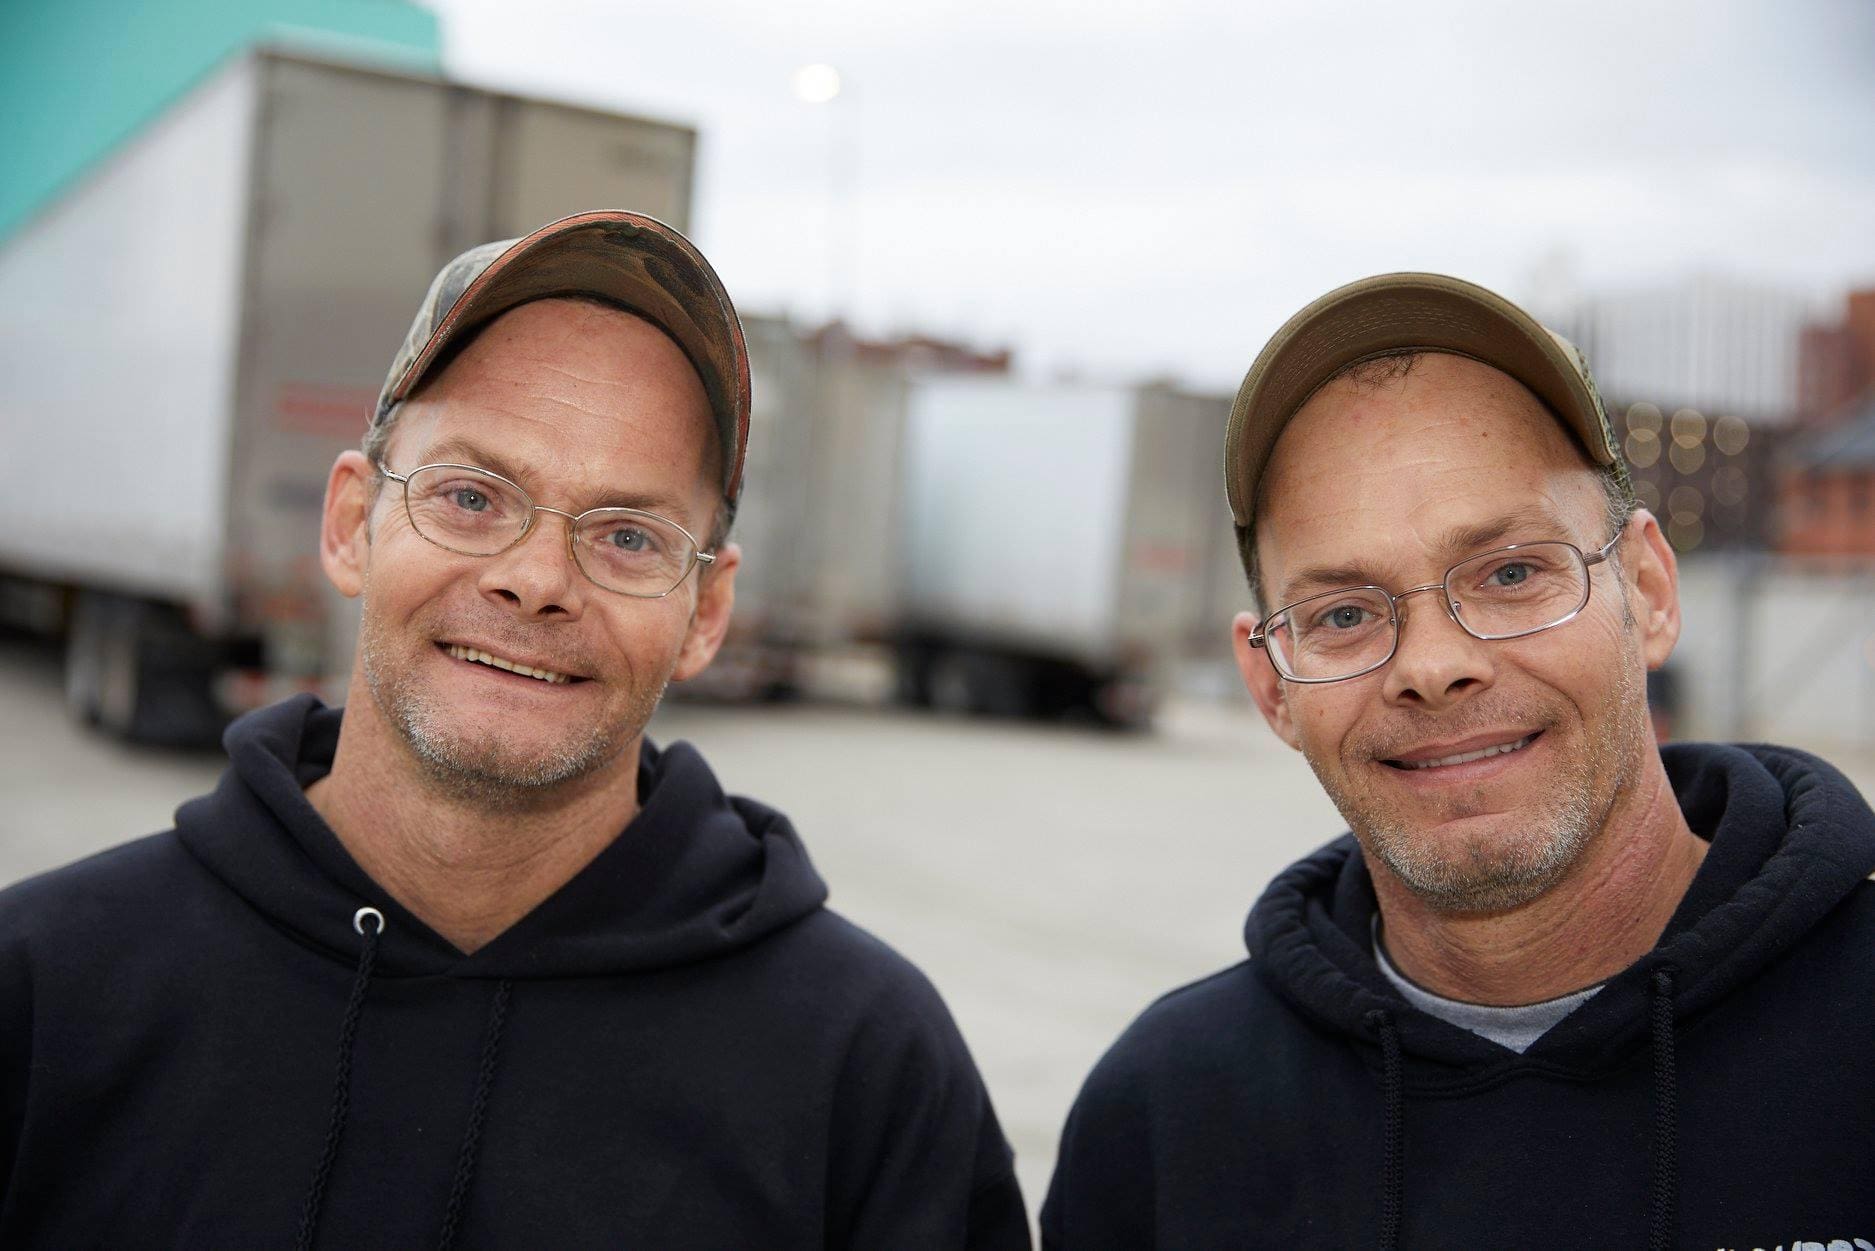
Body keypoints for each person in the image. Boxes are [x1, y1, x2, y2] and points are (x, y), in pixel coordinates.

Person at [0, 211, 1029, 1250]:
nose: (535, 581)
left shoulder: (866, 1071)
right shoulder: (46, 993)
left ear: (707, 613)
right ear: (354, 524)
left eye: (628, 536)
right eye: (470, 496)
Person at [1042, 274, 1875, 1249]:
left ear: (1646, 592)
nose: (1433, 668)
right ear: (1271, 685)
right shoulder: (1165, 1117)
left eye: (1513, 572)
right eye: (1344, 615)